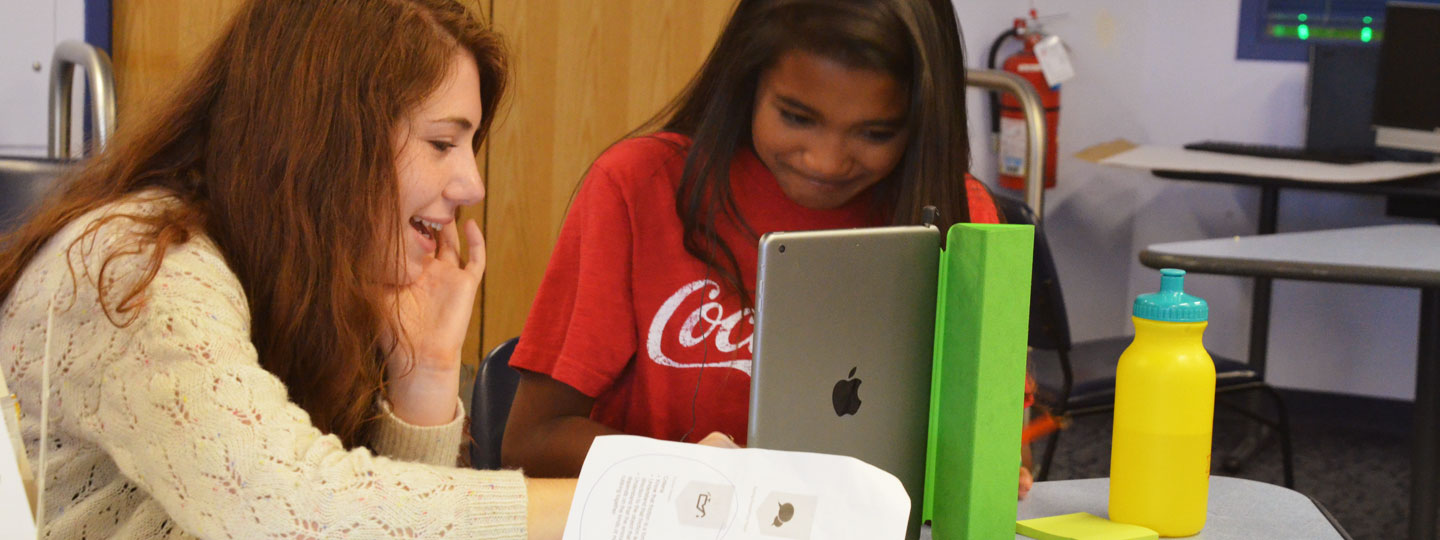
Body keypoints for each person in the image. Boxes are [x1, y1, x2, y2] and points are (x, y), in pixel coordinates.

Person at [0, 1, 576, 538]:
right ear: (325, 138)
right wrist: (591, 504)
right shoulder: (140, 265)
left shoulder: (306, 269)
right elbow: (286, 506)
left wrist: (423, 373)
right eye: (442, 142)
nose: (472, 186)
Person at [502, 0, 1032, 495]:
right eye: (797, 118)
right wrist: (700, 472)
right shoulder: (639, 187)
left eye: (874, 133)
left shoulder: (958, 215)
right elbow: (531, 444)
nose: (825, 161)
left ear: (919, 124)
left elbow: (994, 437)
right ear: (747, 82)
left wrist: (989, 467)